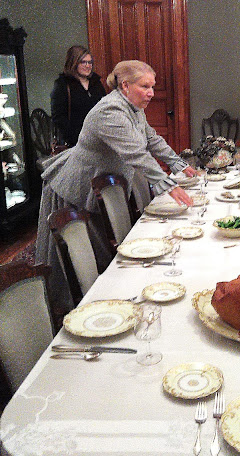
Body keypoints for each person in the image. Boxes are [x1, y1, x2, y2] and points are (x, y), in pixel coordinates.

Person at [36, 60, 197, 323]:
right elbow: (136, 153)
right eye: (145, 86)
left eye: (153, 87)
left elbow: (151, 140)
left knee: (103, 254)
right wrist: (169, 185)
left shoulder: (133, 108)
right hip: (77, 185)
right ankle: (67, 313)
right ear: (125, 85)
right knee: (74, 261)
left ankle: (103, 303)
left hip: (101, 182)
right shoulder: (110, 112)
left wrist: (178, 164)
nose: (151, 93)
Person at [50, 45, 106, 147]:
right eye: (83, 62)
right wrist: (74, 138)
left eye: (90, 62)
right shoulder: (63, 84)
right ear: (73, 63)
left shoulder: (96, 82)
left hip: (100, 139)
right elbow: (58, 117)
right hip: (76, 143)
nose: (88, 65)